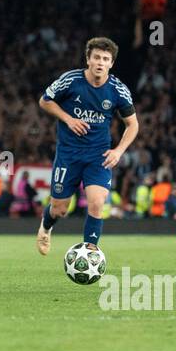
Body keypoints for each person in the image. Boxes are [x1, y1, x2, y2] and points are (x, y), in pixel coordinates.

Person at [35, 38, 139, 256]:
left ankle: (90, 253)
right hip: (68, 155)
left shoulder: (118, 90)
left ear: (111, 63)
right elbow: (45, 101)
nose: (100, 62)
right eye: (97, 58)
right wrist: (68, 119)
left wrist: (118, 151)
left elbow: (132, 124)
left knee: (97, 203)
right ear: (88, 59)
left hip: (98, 156)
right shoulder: (70, 80)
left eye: (106, 59)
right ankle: (45, 227)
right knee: (59, 209)